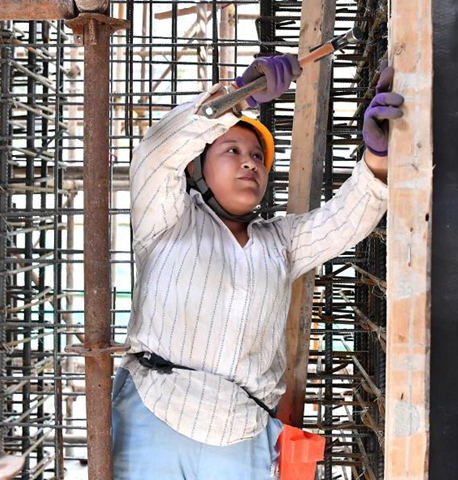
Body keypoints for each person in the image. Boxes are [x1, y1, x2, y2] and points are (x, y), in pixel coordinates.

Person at [111, 54, 404, 479]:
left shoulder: (278, 243)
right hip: (157, 409)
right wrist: (237, 97)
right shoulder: (168, 218)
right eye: (232, 150)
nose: (250, 162)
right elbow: (158, 152)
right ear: (198, 169)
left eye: (258, 157)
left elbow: (344, 220)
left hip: (241, 430)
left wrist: (377, 156)